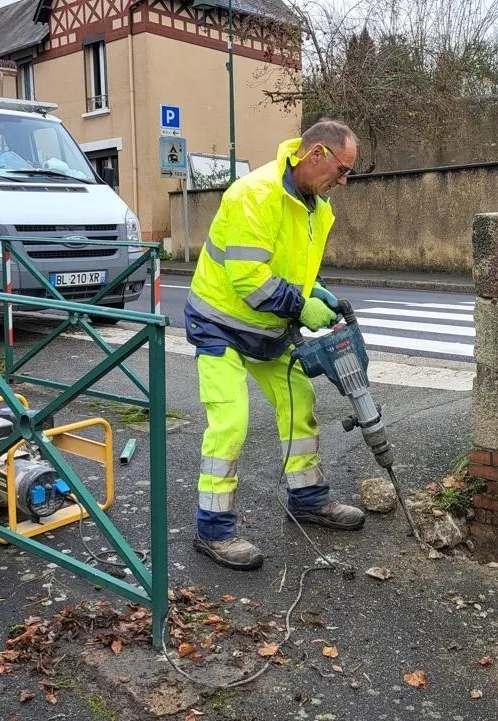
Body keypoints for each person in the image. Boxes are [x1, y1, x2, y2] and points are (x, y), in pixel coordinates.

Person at [184, 119, 365, 571]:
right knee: (231, 420)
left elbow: (290, 265)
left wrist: (313, 289)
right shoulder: (255, 195)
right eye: (342, 170)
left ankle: (308, 499)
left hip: (267, 327)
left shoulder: (318, 206)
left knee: (300, 399)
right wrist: (301, 307)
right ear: (316, 154)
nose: (344, 181)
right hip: (219, 323)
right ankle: (213, 530)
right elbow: (249, 279)